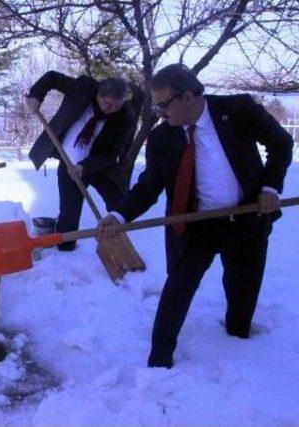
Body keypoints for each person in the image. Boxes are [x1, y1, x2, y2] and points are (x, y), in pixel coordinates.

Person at [96, 64, 293, 368]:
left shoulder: (237, 109)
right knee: (178, 288)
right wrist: (119, 215)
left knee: (243, 286)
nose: (159, 112)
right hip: (194, 225)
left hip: (246, 218)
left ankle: (238, 340)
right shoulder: (162, 138)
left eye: (163, 104)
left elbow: (281, 143)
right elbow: (149, 185)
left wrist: (270, 187)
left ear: (188, 97)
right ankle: (159, 361)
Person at [24, 71, 135, 251]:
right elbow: (52, 77)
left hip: (99, 166)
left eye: (116, 106)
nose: (110, 109)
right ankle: (65, 248)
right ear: (98, 94)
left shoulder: (125, 117)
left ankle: (117, 243)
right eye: (106, 103)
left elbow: (112, 153)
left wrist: (85, 167)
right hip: (69, 163)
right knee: (69, 214)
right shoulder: (83, 88)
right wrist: (36, 96)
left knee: (119, 204)